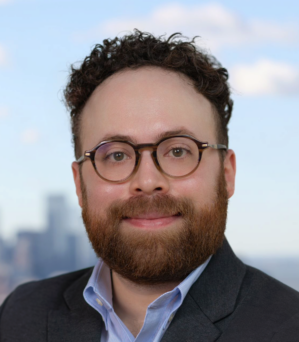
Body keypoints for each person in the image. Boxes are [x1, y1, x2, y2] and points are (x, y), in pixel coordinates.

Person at [0, 30, 299, 342]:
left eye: (178, 151)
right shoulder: (19, 315)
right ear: (79, 184)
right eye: (116, 155)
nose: (147, 182)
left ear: (226, 174)